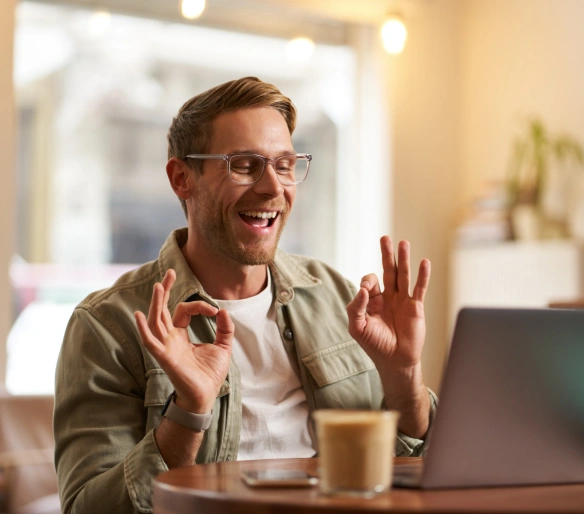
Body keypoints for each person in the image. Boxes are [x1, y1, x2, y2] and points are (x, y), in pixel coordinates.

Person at [53, 76, 437, 514]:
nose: (273, 188)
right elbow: (89, 508)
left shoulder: (336, 297)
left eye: (285, 164)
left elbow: (416, 476)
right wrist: (189, 412)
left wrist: (404, 375)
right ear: (182, 178)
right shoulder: (108, 325)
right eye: (244, 165)